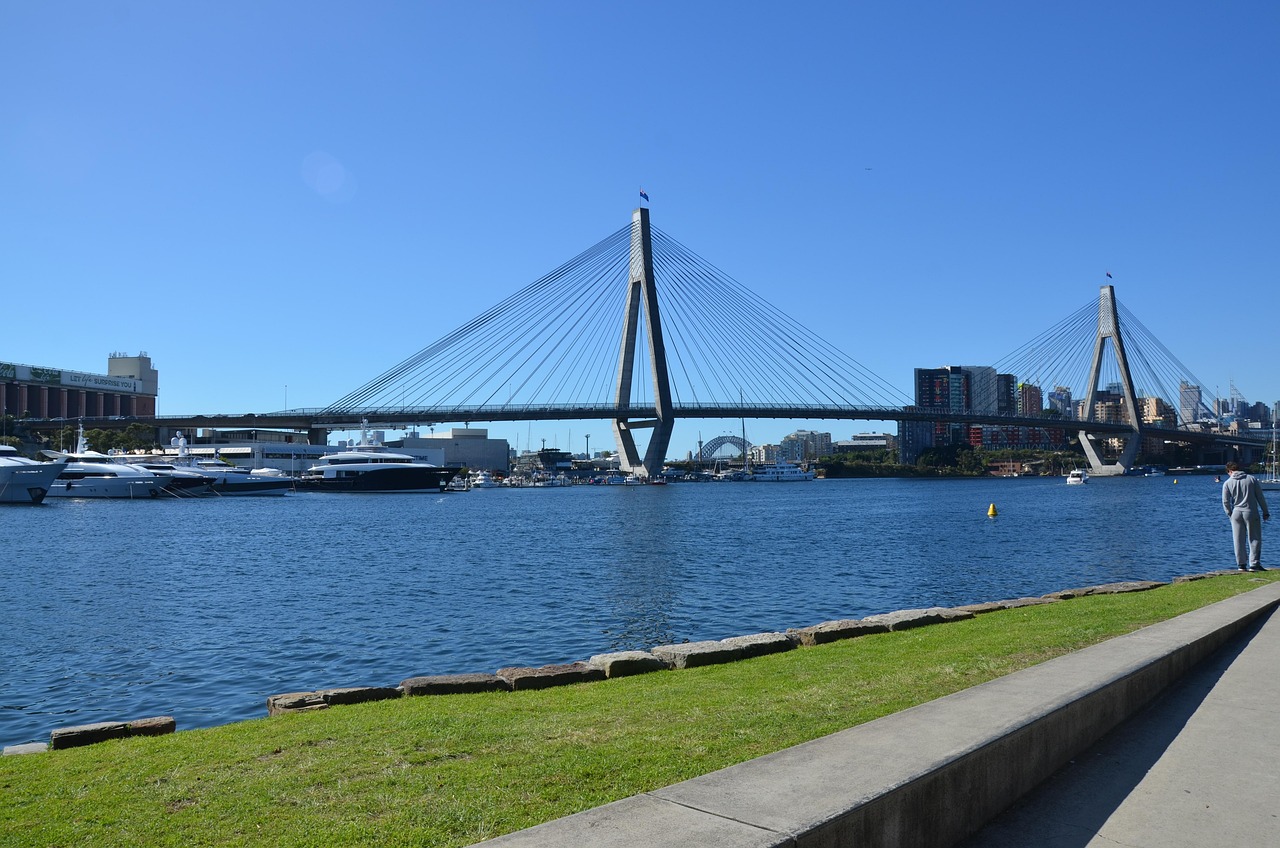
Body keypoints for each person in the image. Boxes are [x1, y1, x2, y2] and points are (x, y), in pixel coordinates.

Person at [1222, 461, 1270, 571]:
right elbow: (1260, 497)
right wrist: (1265, 512)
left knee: (1238, 540)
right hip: (1251, 511)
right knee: (1254, 538)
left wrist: (1229, 514)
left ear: (1230, 471)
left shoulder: (1227, 483)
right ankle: (1254, 563)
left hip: (1236, 512)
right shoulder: (1251, 479)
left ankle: (1241, 565)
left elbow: (1225, 502)